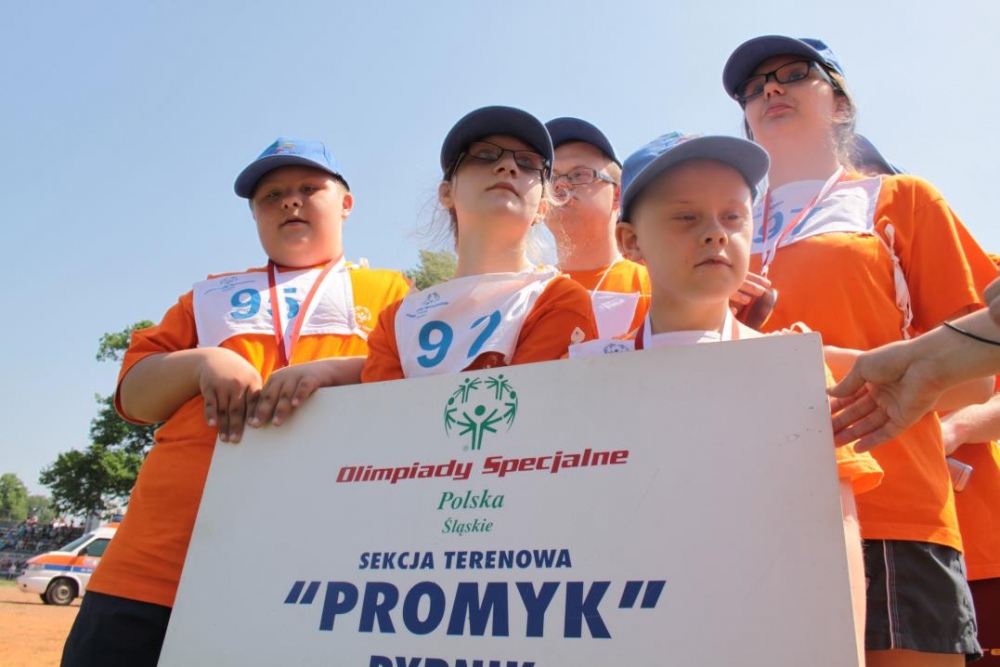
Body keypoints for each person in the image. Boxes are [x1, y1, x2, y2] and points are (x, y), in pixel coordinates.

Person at [61, 138, 410, 666]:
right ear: (253, 215)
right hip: (155, 565)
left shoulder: (392, 293)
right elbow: (134, 397)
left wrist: (334, 372)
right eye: (270, 195)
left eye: (308, 188)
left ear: (346, 203)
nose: (289, 201)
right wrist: (204, 361)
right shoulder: (208, 296)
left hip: (311, 575)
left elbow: (415, 390)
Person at [722, 35, 998, 664]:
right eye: (753, 88)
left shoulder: (903, 200)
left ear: (841, 103)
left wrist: (804, 360)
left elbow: (973, 381)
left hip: (891, 511)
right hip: (746, 510)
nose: (770, 88)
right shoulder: (721, 231)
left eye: (796, 73)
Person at [568, 131, 882, 663]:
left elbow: (839, 532)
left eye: (733, 216)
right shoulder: (585, 374)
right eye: (685, 217)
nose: (715, 232)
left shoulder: (793, 370)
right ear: (630, 241)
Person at [362, 106, 597, 382]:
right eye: (484, 155)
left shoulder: (560, 299)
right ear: (446, 192)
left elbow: (529, 405)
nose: (508, 166)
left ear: (542, 209)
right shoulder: (396, 322)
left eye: (526, 162)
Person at [543, 116, 650, 338]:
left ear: (617, 195)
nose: (561, 185)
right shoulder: (525, 292)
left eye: (579, 174)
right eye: (551, 178)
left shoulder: (657, 286)